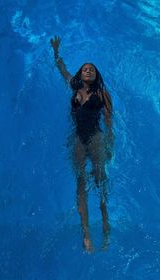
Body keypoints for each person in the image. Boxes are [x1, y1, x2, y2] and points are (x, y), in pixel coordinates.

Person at [50, 36, 114, 252]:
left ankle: (105, 219)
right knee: (80, 182)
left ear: (96, 76)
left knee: (100, 179)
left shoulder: (102, 93)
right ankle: (86, 233)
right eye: (85, 68)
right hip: (78, 139)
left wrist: (110, 142)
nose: (88, 70)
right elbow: (63, 70)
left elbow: (108, 120)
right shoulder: (74, 89)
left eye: (92, 69)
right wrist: (56, 52)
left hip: (96, 137)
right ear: (80, 74)